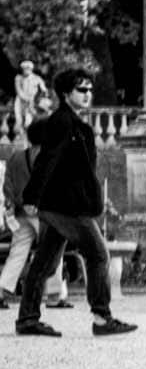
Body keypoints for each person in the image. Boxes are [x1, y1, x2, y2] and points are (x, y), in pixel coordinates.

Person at [13, 67, 136, 337]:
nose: (88, 94)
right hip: (66, 205)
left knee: (44, 262)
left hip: (63, 203)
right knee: (98, 254)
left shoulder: (73, 123)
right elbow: (48, 159)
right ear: (67, 93)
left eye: (90, 89)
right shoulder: (62, 122)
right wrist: (32, 196)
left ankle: (27, 318)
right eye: (82, 89)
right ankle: (102, 318)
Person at [1, 119, 68, 308]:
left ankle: (2, 291)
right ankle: (54, 295)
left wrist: (13, 204)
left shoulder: (15, 157)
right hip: (44, 213)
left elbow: (8, 186)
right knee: (53, 251)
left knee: (18, 252)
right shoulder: (50, 157)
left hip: (21, 213)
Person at [12, 59, 48, 139]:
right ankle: (20, 140)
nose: (25, 70)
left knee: (29, 121)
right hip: (20, 101)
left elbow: (44, 89)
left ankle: (29, 140)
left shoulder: (37, 78)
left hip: (32, 101)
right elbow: (19, 91)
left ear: (31, 69)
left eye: (27, 68)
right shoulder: (18, 78)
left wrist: (41, 96)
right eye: (24, 68)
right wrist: (26, 98)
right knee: (19, 120)